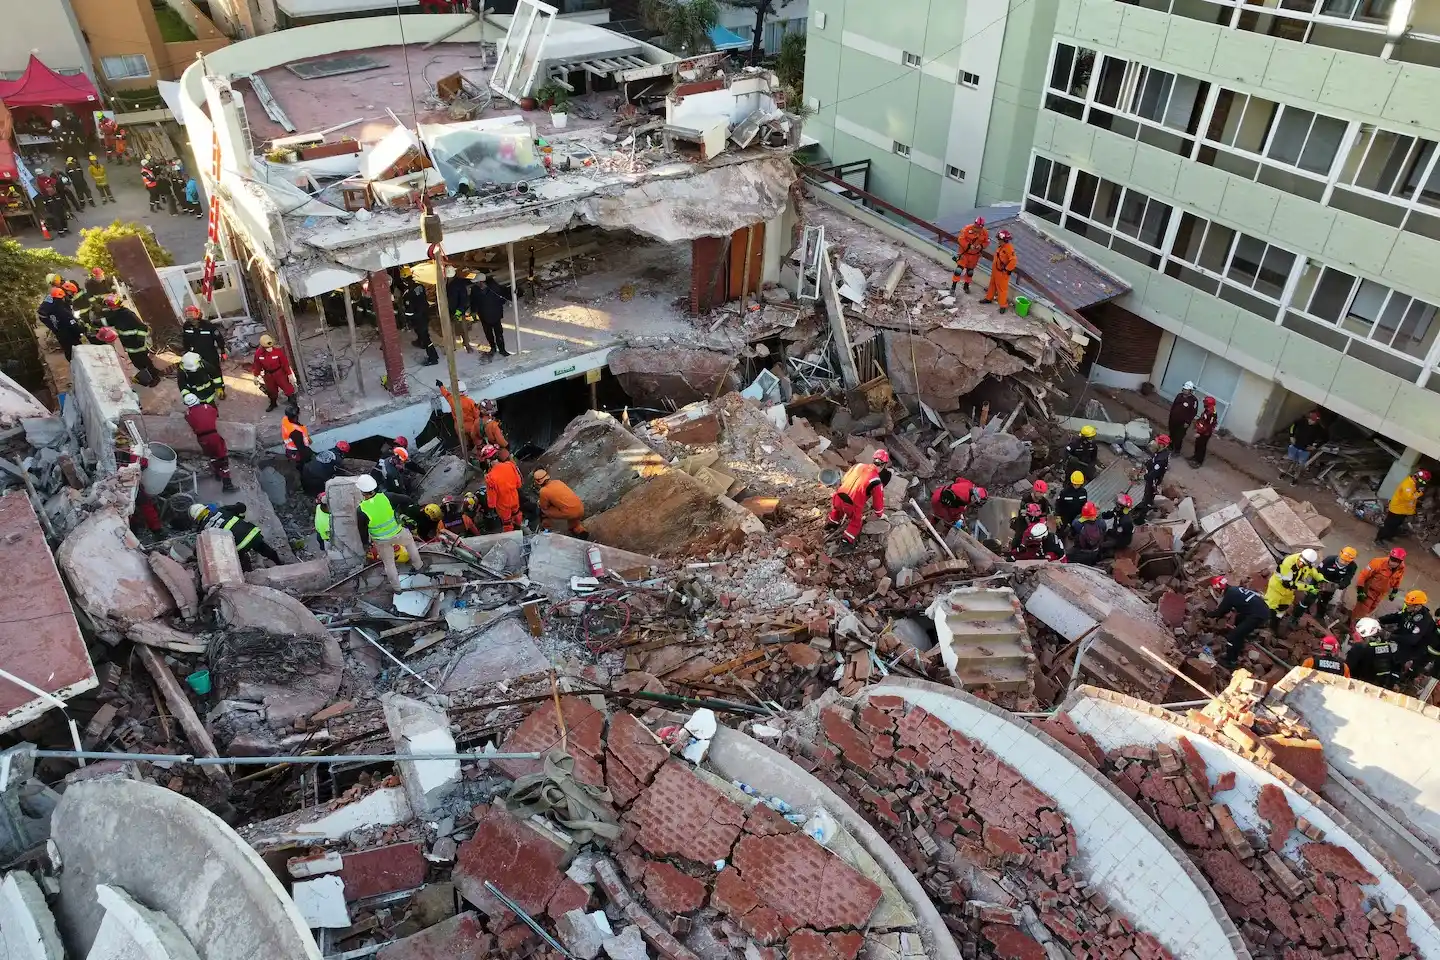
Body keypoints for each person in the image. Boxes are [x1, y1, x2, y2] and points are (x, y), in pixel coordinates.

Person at [355, 474, 426, 588]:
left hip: (381, 540)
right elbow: (406, 499)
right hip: (397, 532)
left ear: (362, 492)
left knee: (389, 564)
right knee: (410, 544)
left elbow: (362, 530)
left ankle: (397, 588)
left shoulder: (361, 509)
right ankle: (419, 566)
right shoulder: (387, 496)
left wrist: (365, 544)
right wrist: (401, 511)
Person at [825, 450, 892, 546]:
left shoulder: (858, 466)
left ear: (873, 459)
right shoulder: (876, 480)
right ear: (884, 465)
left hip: (838, 496)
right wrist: (880, 514)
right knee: (856, 522)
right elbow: (878, 501)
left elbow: (845, 478)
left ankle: (831, 524)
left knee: (837, 510)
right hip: (852, 504)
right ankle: (846, 541)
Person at [189, 502, 282, 570]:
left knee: (241, 561)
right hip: (251, 534)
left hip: (238, 547)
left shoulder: (203, 531)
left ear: (196, 519)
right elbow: (242, 507)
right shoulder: (221, 510)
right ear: (207, 509)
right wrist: (240, 515)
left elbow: (199, 550)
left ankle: (250, 574)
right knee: (265, 549)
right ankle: (280, 563)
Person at [1206, 575, 1274, 666]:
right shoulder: (1234, 590)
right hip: (1262, 609)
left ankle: (1231, 660)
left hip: (1257, 615)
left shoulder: (1229, 595)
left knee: (1233, 637)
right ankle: (1241, 641)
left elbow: (1220, 612)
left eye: (1216, 590)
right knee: (1238, 620)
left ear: (1219, 589)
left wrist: (1208, 615)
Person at [182, 392, 236, 492]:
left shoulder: (188, 414)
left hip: (201, 439)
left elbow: (188, 419)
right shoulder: (207, 407)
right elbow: (215, 413)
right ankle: (227, 484)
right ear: (197, 399)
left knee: (212, 457)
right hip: (213, 436)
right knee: (222, 458)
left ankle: (217, 473)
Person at [103, 293, 159, 386]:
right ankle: (149, 375)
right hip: (129, 345)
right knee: (137, 363)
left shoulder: (128, 314)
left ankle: (155, 377)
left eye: (109, 306)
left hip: (137, 344)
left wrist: (140, 340)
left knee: (144, 362)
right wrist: (95, 322)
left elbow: (142, 327)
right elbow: (107, 321)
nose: (109, 308)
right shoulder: (116, 314)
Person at [1380, 590, 1435, 682]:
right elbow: (1397, 617)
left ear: (1417, 606)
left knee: (1396, 662)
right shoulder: (1409, 611)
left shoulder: (1424, 620)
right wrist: (1380, 620)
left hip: (1414, 648)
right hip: (1402, 639)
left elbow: (1413, 640)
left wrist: (1391, 636)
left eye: (1409, 604)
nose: (1406, 605)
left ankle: (1394, 682)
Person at [1264, 548, 1324, 623]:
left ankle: (1276, 620)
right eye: (1301, 562)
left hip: (1288, 591)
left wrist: (1320, 578)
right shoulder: (1288, 563)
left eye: (1304, 564)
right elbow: (1288, 584)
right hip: (1277, 588)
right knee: (1270, 606)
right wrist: (1309, 588)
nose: (1301, 564)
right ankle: (1264, 621)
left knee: (1284, 606)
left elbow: (1312, 571)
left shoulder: (1306, 563)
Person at [1301, 547, 1359, 622]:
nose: (1343, 562)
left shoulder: (1352, 567)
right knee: (1311, 596)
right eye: (1342, 560)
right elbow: (1317, 572)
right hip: (1319, 581)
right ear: (1339, 555)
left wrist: (1338, 585)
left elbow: (1347, 579)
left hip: (1333, 585)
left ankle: (1319, 616)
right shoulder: (1329, 560)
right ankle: (1303, 610)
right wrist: (1319, 584)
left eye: (1346, 561)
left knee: (1324, 601)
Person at [1352, 548, 1407, 624]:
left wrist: (1394, 591)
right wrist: (1360, 591)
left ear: (1400, 562)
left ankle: (1357, 623)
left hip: (1381, 594)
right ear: (1389, 556)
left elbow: (1398, 579)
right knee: (1361, 611)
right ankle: (1353, 625)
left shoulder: (1401, 568)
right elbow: (1363, 575)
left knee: (1371, 609)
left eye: (1396, 561)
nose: (1393, 563)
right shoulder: (1377, 562)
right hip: (1369, 590)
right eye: (1392, 559)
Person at [181, 306, 227, 396]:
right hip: (195, 355)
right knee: (200, 372)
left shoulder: (208, 325)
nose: (190, 317)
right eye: (188, 314)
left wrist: (223, 351)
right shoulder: (186, 326)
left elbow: (219, 338)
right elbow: (185, 341)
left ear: (198, 314)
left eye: (192, 314)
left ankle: (220, 389)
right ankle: (208, 388)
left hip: (210, 354)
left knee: (216, 371)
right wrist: (187, 353)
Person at [1377, 468, 1430, 544]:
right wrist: (1419, 492)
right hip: (1397, 509)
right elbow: (1409, 497)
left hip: (1403, 510)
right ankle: (1379, 539)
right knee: (1389, 525)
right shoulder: (1407, 484)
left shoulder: (1413, 483)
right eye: (1423, 482)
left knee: (1395, 525)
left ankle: (1388, 536)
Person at [399, 269, 439, 366]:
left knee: (425, 336)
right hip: (425, 313)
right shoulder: (419, 286)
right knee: (420, 332)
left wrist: (406, 318)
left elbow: (410, 309)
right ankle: (420, 342)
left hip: (418, 317)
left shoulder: (408, 293)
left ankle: (433, 357)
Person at [1347, 617, 1400, 688]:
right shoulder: (1388, 647)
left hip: (1359, 684)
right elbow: (1395, 666)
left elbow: (1348, 667)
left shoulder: (1360, 647)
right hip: (1381, 685)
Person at [471, 272, 513, 360]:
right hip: (484, 316)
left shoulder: (494, 288)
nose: (476, 284)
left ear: (481, 282)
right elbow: (473, 301)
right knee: (488, 333)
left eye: (477, 282)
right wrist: (474, 311)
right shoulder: (475, 290)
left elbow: (503, 297)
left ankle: (502, 350)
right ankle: (493, 348)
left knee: (499, 333)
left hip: (495, 314)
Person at [534, 468, 587, 536]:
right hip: (580, 508)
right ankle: (579, 530)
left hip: (570, 513)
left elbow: (544, 506)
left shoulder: (543, 491)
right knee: (573, 522)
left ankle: (547, 529)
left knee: (543, 510)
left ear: (537, 482)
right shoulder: (558, 482)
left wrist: (540, 503)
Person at [483, 446, 524, 532]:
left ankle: (511, 537)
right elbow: (519, 484)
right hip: (514, 498)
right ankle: (519, 528)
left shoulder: (490, 477)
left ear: (488, 460)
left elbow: (492, 502)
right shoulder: (510, 465)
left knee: (507, 523)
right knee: (516, 514)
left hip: (503, 504)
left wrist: (491, 507)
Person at [250, 334, 296, 411]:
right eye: (268, 348)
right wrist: (255, 376)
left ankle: (294, 405)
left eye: (271, 346)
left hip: (280, 373)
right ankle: (273, 404)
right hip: (268, 375)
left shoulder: (278, 352)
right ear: (263, 347)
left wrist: (289, 374)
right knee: (271, 391)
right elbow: (257, 365)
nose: (270, 349)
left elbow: (285, 364)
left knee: (288, 389)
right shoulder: (258, 354)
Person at [38, 285, 84, 360]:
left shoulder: (52, 303)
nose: (72, 295)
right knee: (75, 350)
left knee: (67, 350)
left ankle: (74, 365)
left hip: (59, 330)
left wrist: (54, 328)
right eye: (71, 293)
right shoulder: (61, 309)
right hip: (67, 331)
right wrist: (80, 330)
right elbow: (71, 323)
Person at [1283, 410, 1328, 481]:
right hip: (1295, 444)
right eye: (1310, 419)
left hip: (1306, 448)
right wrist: (1291, 436)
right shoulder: (1301, 422)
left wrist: (1315, 446)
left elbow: (1325, 439)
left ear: (1316, 421)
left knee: (1301, 464)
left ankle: (1295, 478)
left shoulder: (1319, 429)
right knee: (1290, 460)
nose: (1311, 421)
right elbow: (1292, 426)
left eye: (1313, 420)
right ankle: (1285, 473)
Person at [437, 379, 481, 450]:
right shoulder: (470, 402)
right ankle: (476, 452)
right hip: (470, 425)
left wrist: (441, 386)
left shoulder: (451, 399)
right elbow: (476, 415)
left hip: (458, 426)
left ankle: (467, 452)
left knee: (464, 442)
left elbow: (446, 394)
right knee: (476, 441)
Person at [980, 229, 1017, 313]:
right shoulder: (1001, 246)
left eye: (999, 240)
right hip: (996, 270)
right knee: (992, 284)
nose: (998, 241)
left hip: (1002, 273)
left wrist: (1006, 269)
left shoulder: (1009, 249)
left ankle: (1003, 305)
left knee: (1002, 289)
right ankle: (989, 298)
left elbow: (1013, 261)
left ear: (1004, 240)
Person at [950, 216, 988, 294]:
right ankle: (953, 286)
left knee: (970, 272)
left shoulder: (984, 232)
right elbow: (961, 239)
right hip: (964, 254)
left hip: (974, 256)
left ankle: (966, 285)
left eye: (979, 228)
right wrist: (968, 245)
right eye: (976, 227)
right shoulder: (967, 229)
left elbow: (986, 242)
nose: (977, 230)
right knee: (958, 270)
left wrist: (981, 246)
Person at [1138, 435, 1172, 517]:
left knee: (1148, 495)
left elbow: (1153, 474)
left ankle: (1143, 514)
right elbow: (1153, 460)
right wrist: (1147, 464)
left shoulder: (1161, 460)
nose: (1154, 443)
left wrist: (1143, 476)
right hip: (1152, 477)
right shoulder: (1161, 452)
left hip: (1153, 481)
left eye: (1157, 442)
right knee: (1147, 494)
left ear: (1162, 445)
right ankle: (1144, 504)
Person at [445, 267, 473, 351]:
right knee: (451, 328)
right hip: (450, 310)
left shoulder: (458, 284)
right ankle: (453, 345)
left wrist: (458, 313)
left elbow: (463, 299)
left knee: (463, 328)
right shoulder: (447, 282)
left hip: (458, 311)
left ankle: (467, 344)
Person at [1167, 382, 1198, 458]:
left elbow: (1193, 413)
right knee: (1172, 434)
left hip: (1183, 423)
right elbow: (1173, 406)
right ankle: (1170, 447)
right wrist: (1171, 416)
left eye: (1186, 390)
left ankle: (1177, 450)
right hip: (1174, 420)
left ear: (1190, 391)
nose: (1184, 391)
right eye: (1184, 389)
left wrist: (1187, 422)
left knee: (1179, 436)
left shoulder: (1194, 400)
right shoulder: (1179, 396)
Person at [1189, 396, 1218, 467]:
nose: (1204, 403)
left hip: (1205, 433)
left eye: (1205, 402)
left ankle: (1199, 462)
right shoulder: (1208, 410)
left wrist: (1199, 433)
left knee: (1201, 447)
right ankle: (1195, 457)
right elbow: (1203, 420)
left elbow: (1209, 426)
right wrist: (1197, 426)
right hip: (1202, 431)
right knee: (1197, 445)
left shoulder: (1212, 413)